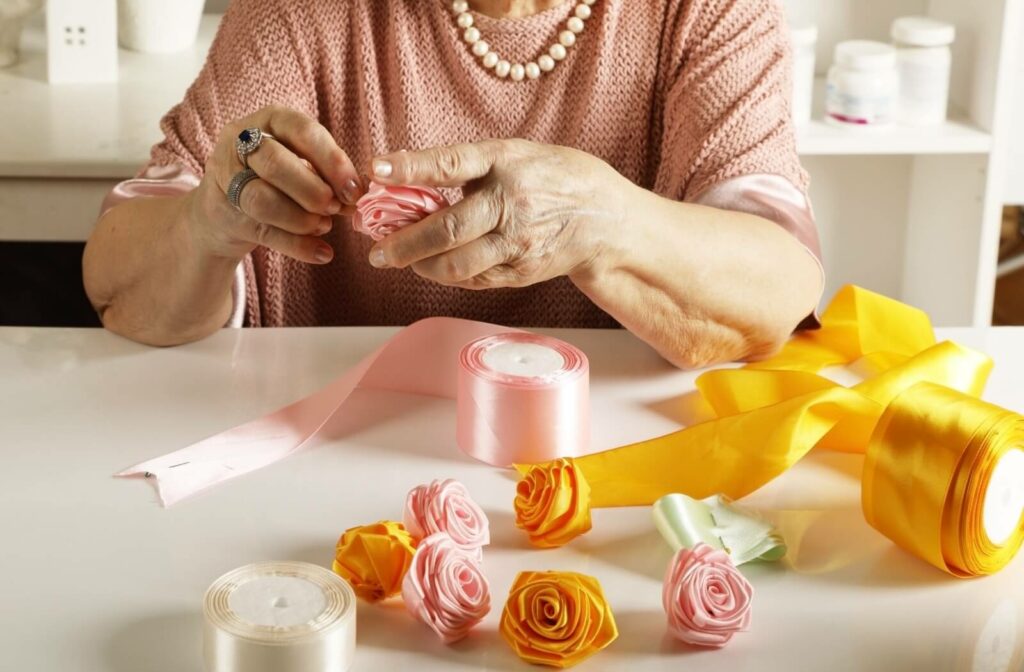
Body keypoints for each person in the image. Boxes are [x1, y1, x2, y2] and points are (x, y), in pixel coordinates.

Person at [82, 0, 823, 369]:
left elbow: (778, 290)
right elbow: (118, 287)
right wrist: (206, 224)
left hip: (604, 477)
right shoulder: (300, 11)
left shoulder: (709, 13)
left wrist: (610, 223)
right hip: (331, 464)